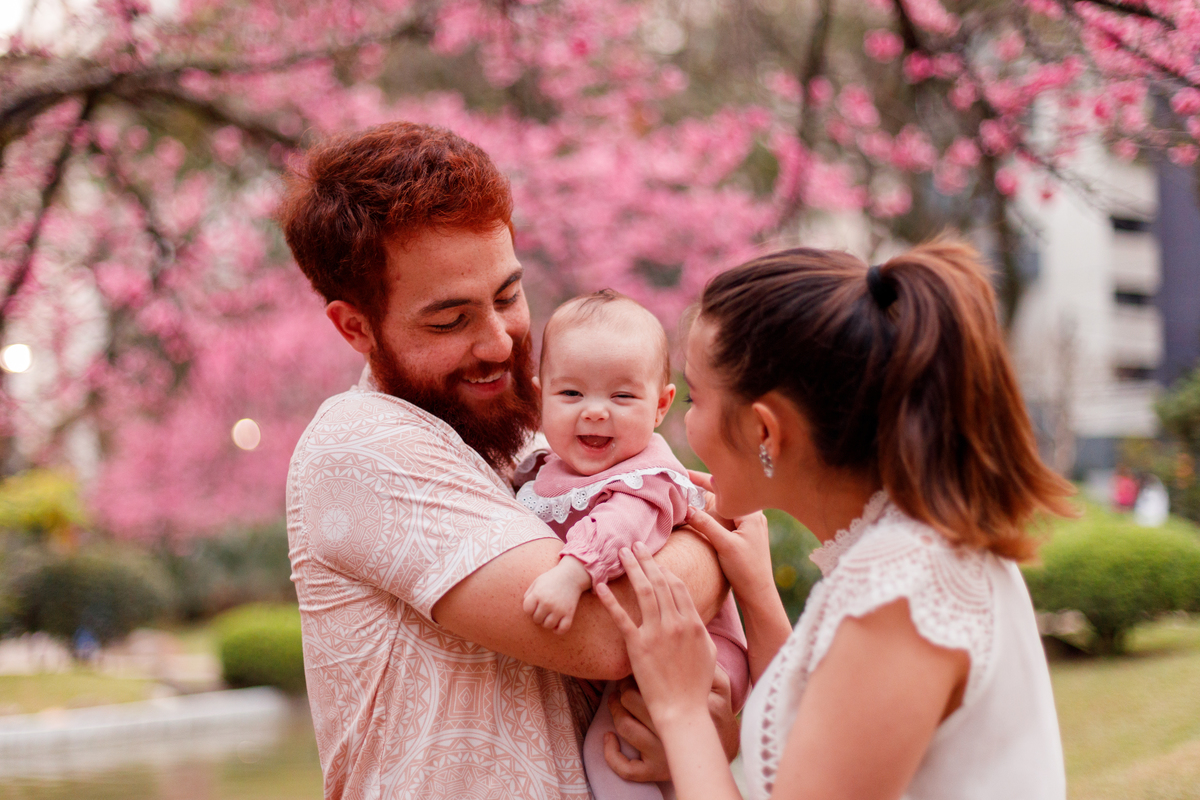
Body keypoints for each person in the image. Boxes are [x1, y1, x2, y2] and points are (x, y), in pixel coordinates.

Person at [277, 122, 736, 800]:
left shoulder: (529, 434)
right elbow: (606, 632)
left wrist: (694, 727)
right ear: (356, 327)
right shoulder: (358, 445)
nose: (499, 343)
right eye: (449, 320)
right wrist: (714, 539)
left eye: (507, 296)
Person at [594, 240, 1077, 800]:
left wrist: (682, 714)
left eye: (692, 401)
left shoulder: (900, 596)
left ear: (765, 431)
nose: (683, 429)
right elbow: (822, 721)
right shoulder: (904, 556)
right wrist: (757, 594)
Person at [516, 290, 750, 800]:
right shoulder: (545, 470)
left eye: (622, 397)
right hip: (648, 646)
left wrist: (570, 574)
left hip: (695, 648)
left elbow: (621, 527)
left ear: (661, 405)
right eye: (571, 394)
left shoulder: (648, 476)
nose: (595, 412)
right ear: (540, 397)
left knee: (611, 754)